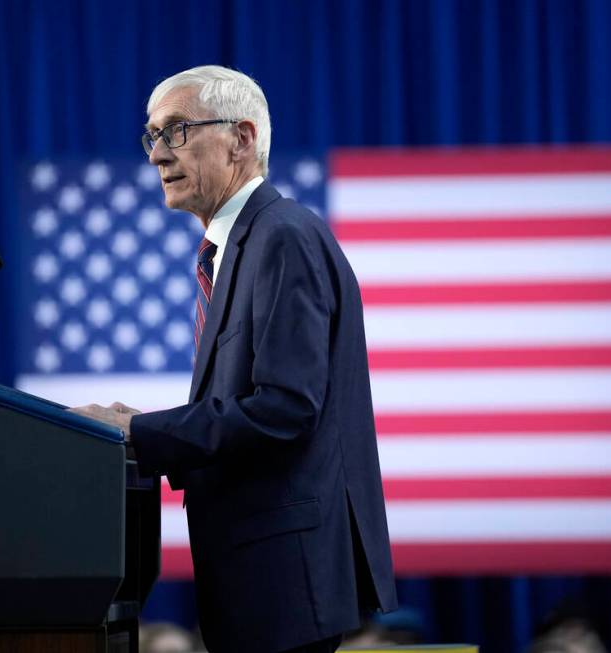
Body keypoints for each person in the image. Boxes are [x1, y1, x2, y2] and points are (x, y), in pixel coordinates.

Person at [71, 65, 397, 653]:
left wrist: (140, 432)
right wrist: (138, 424)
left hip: (283, 576)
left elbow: (285, 408)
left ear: (241, 138)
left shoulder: (282, 236)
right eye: (152, 136)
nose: (156, 156)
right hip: (258, 576)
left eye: (175, 132)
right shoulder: (245, 243)